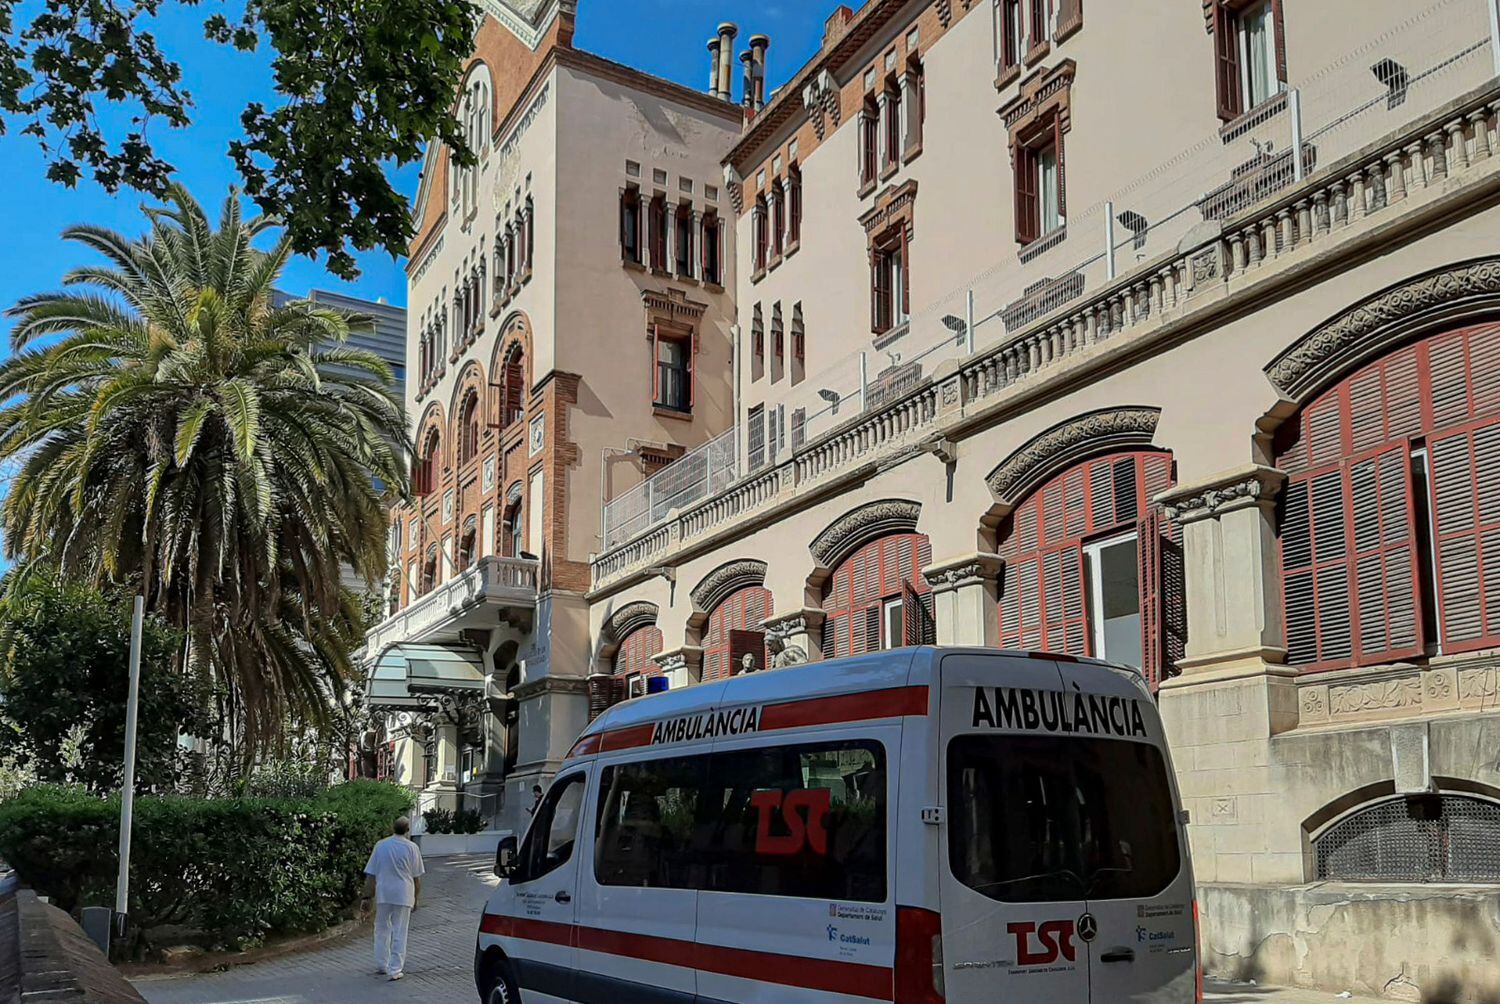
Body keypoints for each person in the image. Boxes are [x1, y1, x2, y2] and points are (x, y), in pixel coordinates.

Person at [362, 816, 425, 981]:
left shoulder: (381, 845)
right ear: (407, 830)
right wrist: (416, 898)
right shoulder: (412, 848)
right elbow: (417, 877)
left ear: (392, 827)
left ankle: (381, 964)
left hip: (383, 893)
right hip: (404, 893)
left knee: (381, 928)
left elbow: (371, 874)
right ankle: (395, 969)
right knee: (400, 930)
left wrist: (367, 896)